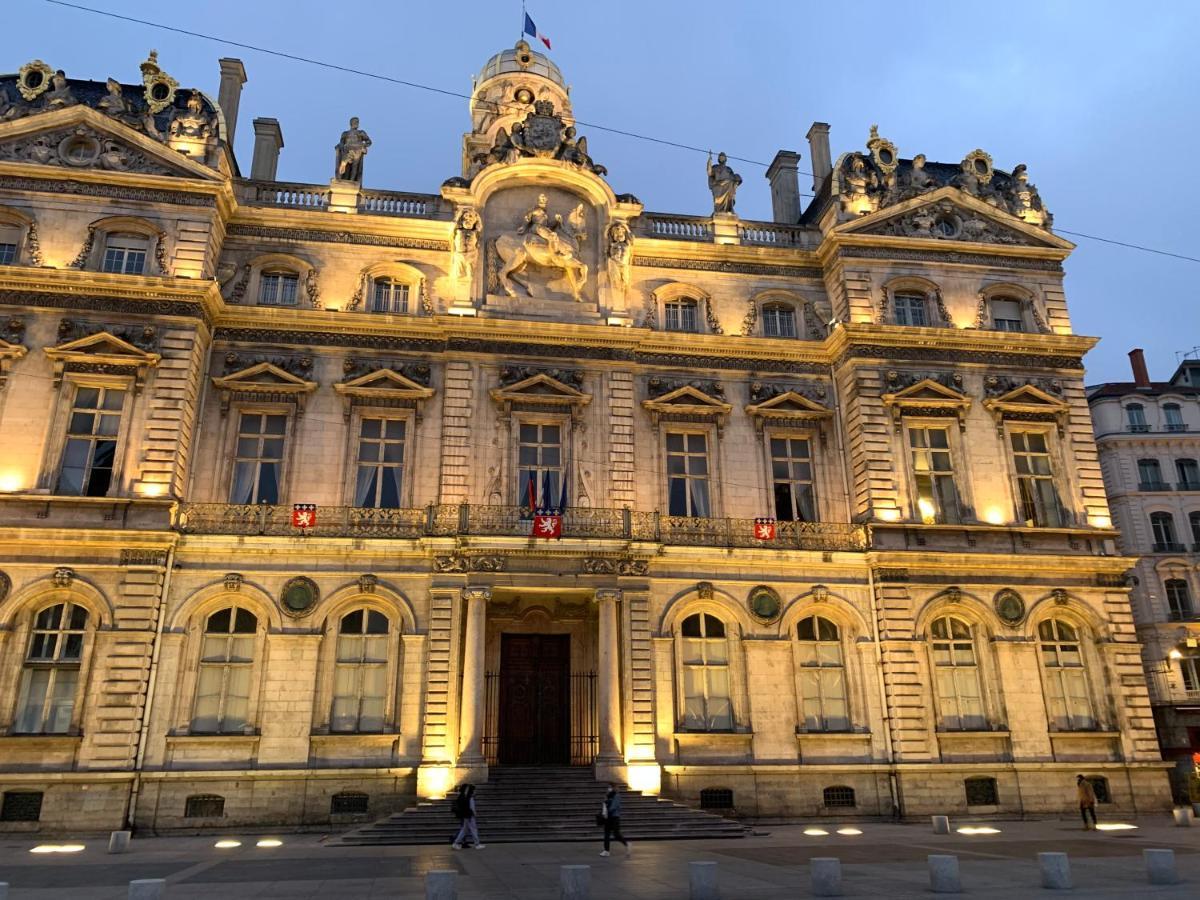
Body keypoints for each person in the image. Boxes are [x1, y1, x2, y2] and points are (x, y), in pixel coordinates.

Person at [599, 784, 631, 857]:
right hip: (608, 817)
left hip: (614, 817)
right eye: (608, 787)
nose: (609, 789)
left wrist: (608, 810)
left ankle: (627, 844)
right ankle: (606, 850)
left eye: (610, 787)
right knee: (606, 833)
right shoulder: (607, 795)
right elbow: (604, 804)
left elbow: (614, 806)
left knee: (616, 834)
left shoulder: (617, 796)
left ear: (614, 788)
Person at [451, 783, 485, 850]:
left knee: (464, 830)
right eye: (474, 790)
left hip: (466, 815)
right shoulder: (470, 798)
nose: (475, 791)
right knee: (473, 829)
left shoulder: (465, 797)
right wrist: (474, 814)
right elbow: (472, 808)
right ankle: (477, 844)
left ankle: (455, 843)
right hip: (469, 816)